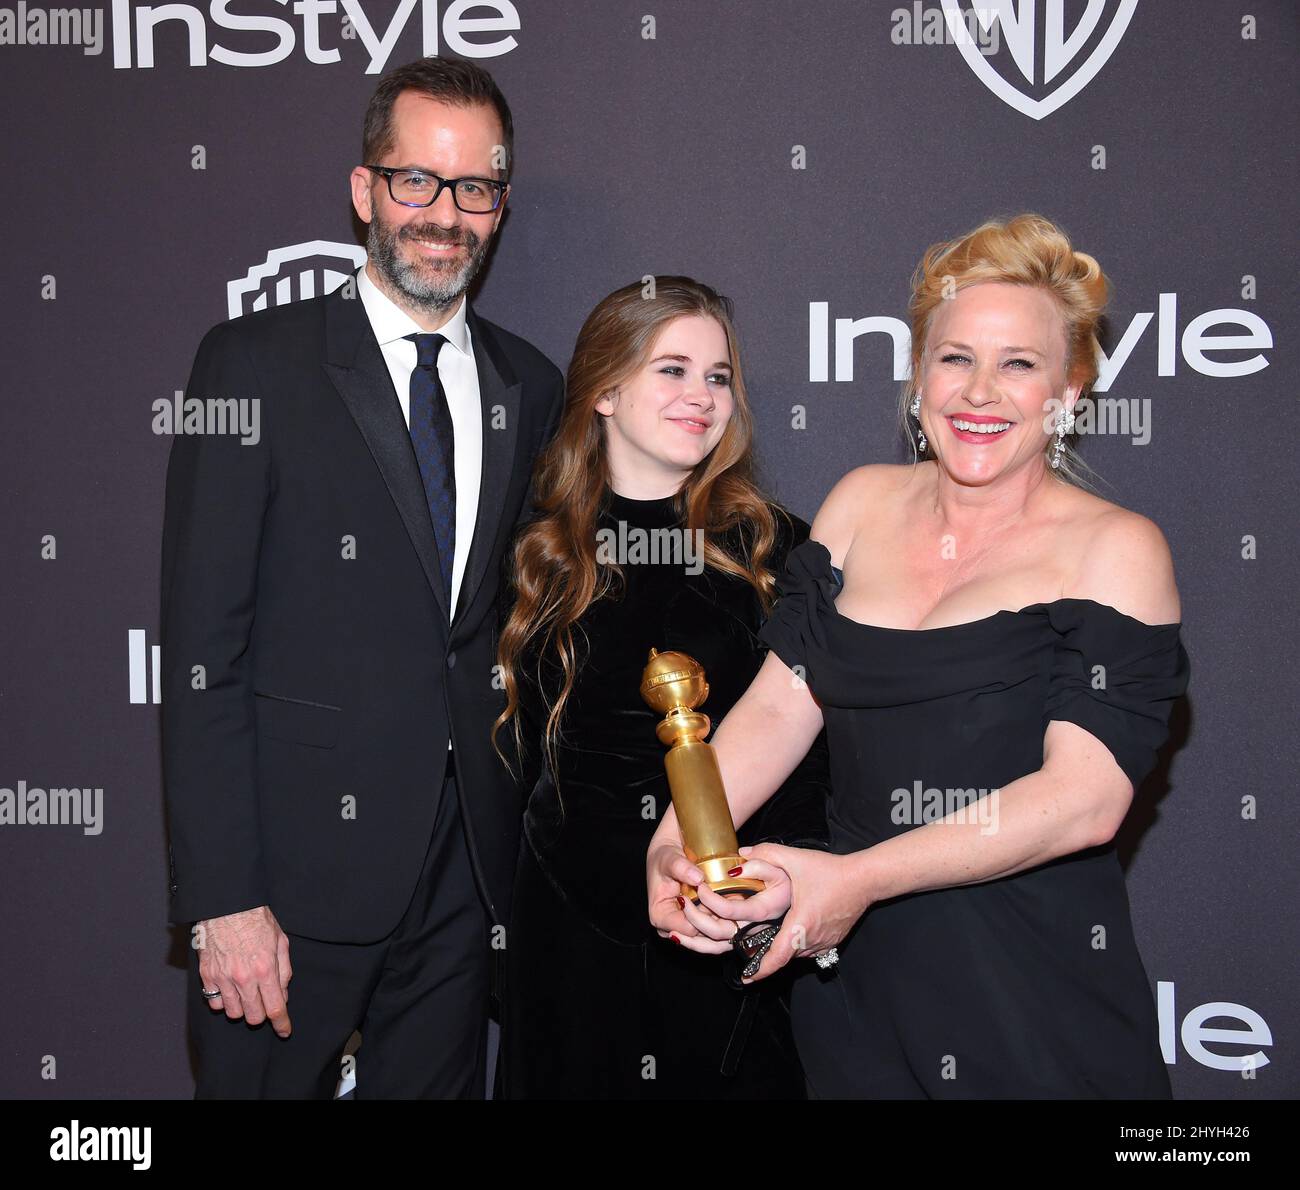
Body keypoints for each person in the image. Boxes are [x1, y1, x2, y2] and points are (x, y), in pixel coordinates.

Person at [647, 214, 1190, 1098]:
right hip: (856, 990)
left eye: (1019, 363)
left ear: (1072, 388)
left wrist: (858, 879)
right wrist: (671, 847)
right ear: (916, 372)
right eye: (953, 357)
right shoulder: (859, 503)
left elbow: (1083, 802)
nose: (979, 392)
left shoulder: (1117, 550)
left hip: (1029, 988)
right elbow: (784, 706)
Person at [161, 58, 563, 1098]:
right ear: (363, 189)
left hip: (465, 881)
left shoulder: (530, 382)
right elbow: (202, 653)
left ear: (502, 205)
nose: (445, 214)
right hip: (287, 892)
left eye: (475, 187)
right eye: (416, 181)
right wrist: (224, 899)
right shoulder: (252, 366)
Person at [493, 277, 831, 1099]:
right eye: (671, 369)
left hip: (714, 928)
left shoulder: (774, 546)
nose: (702, 397)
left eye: (718, 377)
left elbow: (809, 756)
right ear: (605, 389)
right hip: (567, 938)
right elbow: (516, 763)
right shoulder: (534, 550)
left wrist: (754, 901)